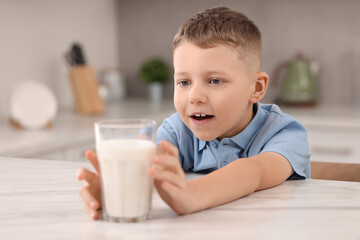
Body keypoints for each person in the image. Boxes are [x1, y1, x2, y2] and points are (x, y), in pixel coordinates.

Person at [77, 6, 310, 219]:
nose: (194, 96)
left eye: (215, 80)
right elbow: (148, 162)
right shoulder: (177, 131)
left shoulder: (285, 133)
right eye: (184, 82)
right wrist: (115, 191)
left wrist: (192, 195)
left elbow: (254, 171)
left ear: (256, 87)